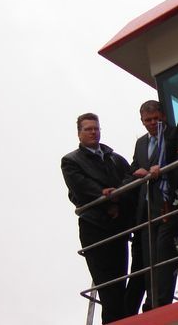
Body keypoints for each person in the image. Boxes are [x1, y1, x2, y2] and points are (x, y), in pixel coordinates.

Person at [61, 113, 133, 324]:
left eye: (96, 128)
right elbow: (81, 188)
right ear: (79, 134)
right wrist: (106, 197)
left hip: (117, 225)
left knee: (120, 283)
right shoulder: (71, 160)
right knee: (107, 287)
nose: (94, 132)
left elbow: (128, 179)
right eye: (88, 129)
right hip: (94, 227)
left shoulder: (115, 158)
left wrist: (116, 198)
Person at [130, 100, 178, 311]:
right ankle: (152, 302)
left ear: (163, 117)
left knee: (164, 255)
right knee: (149, 258)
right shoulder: (140, 143)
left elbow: (177, 158)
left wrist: (161, 167)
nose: (152, 123)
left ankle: (162, 302)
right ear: (142, 121)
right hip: (147, 207)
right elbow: (134, 166)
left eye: (155, 119)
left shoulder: (173, 135)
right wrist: (136, 173)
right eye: (147, 120)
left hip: (167, 204)